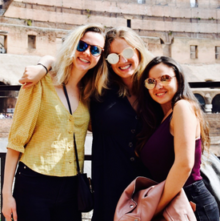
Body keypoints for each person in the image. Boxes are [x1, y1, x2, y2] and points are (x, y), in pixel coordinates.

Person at [18, 26, 154, 221]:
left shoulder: (155, 90)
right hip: (109, 187)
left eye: (127, 52)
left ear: (139, 50)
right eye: (114, 56)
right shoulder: (101, 90)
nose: (122, 60)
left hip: (149, 186)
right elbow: (76, 65)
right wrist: (45, 63)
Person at [2, 24, 107, 221]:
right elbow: (16, 140)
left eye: (95, 50)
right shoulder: (40, 81)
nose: (87, 53)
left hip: (71, 187)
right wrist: (6, 194)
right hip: (34, 182)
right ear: (72, 45)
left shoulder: (90, 93)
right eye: (82, 45)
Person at [136, 56, 219, 221]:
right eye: (151, 81)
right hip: (176, 201)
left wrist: (155, 208)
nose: (158, 86)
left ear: (179, 79)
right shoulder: (162, 116)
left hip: (191, 205)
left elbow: (184, 165)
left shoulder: (182, 107)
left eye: (165, 78)